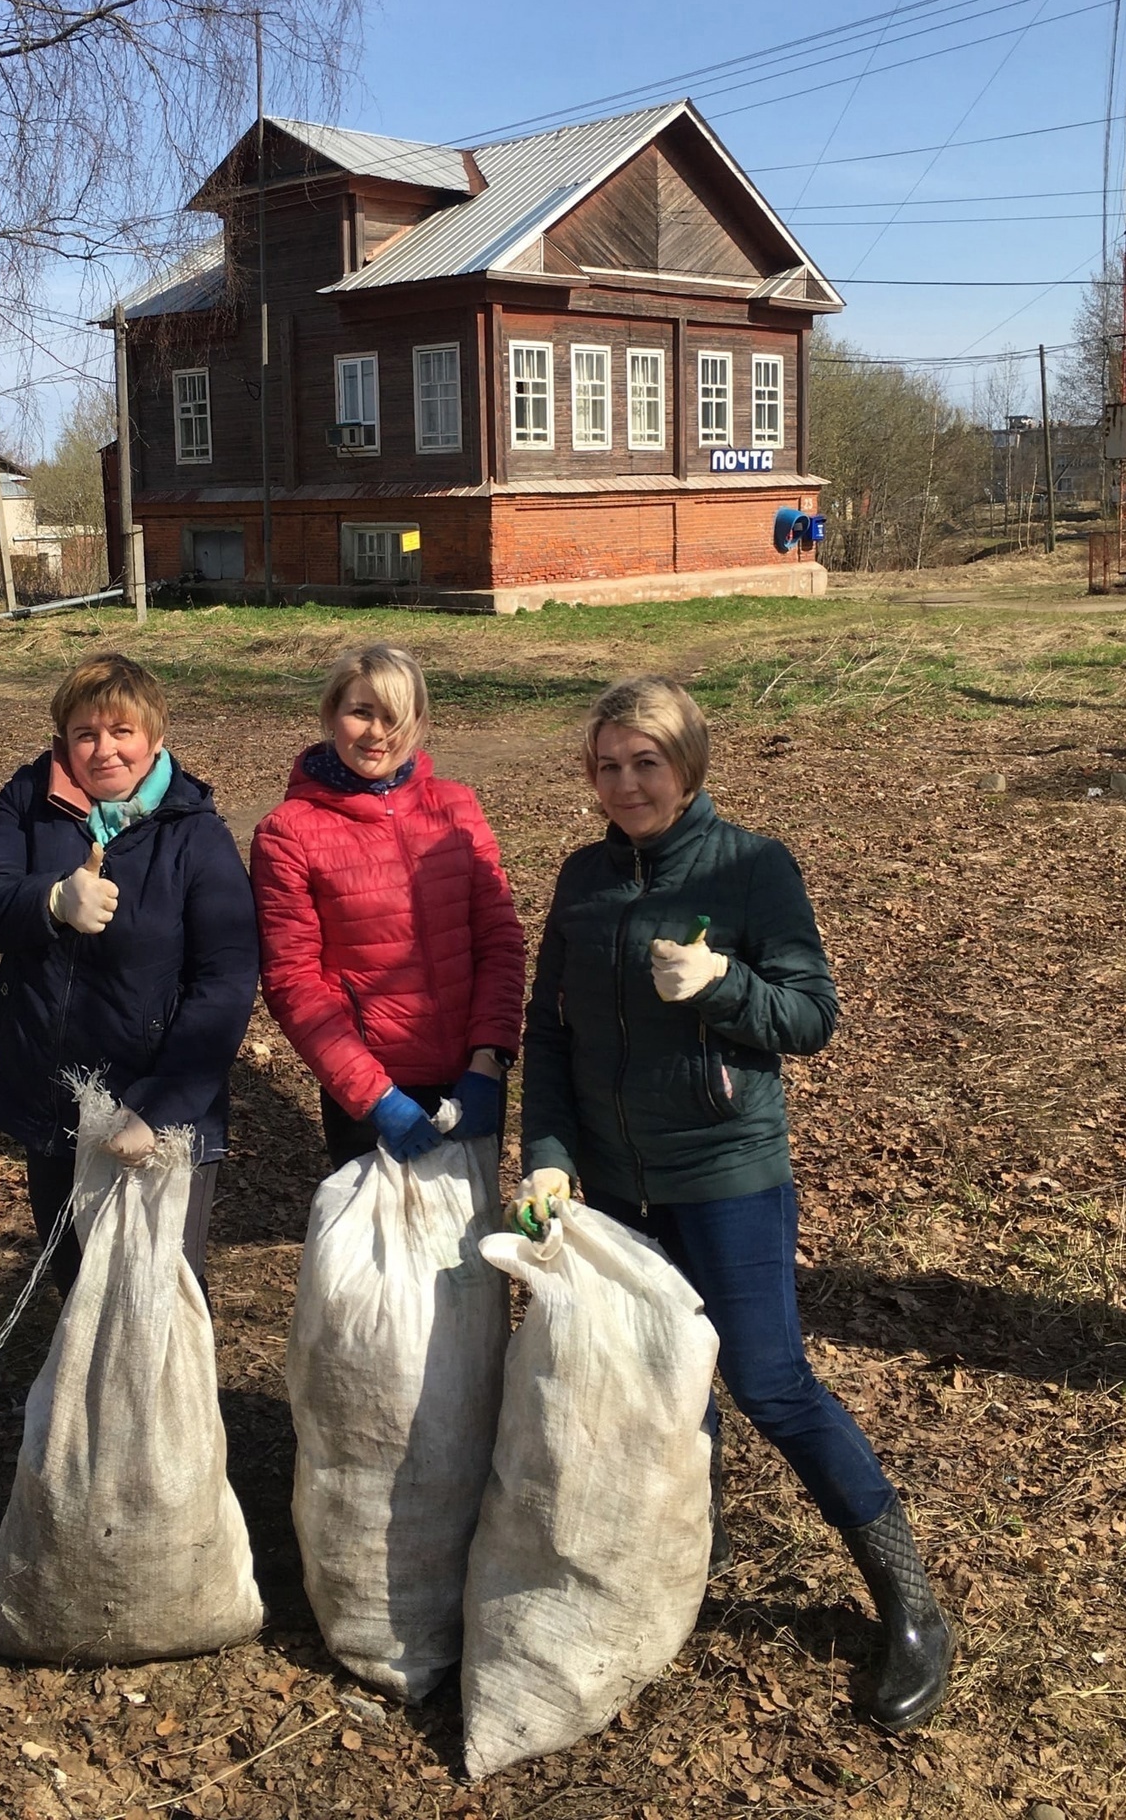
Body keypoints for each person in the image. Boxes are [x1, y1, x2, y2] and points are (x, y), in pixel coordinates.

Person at [515, 675, 953, 1733]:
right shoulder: (581, 879)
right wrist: (547, 1155)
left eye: (646, 764)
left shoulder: (753, 868)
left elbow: (811, 1016)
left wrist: (721, 986)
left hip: (725, 1170)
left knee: (770, 1380)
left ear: (688, 764)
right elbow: (551, 1030)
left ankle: (909, 1602)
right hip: (614, 1183)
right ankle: (679, 1571)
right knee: (660, 1385)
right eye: (609, 766)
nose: (626, 786)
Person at [0, 652, 259, 1296]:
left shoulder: (194, 834)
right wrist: (50, 901)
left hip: (162, 1112)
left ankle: (163, 1403)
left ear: (154, 737)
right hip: (53, 1098)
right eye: (86, 734)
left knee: (160, 1297)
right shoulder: (29, 802)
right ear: (63, 739)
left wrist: (160, 1107)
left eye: (122, 732)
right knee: (79, 1290)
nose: (105, 750)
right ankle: (81, 1401)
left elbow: (226, 982)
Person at [250, 642, 526, 1169]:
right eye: (361, 712)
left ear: (419, 724)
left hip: (472, 1076)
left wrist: (489, 1058)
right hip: (370, 1094)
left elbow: (499, 940)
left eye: (396, 717)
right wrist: (373, 1096)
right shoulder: (288, 833)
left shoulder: (457, 808)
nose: (378, 733)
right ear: (332, 713)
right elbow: (294, 978)